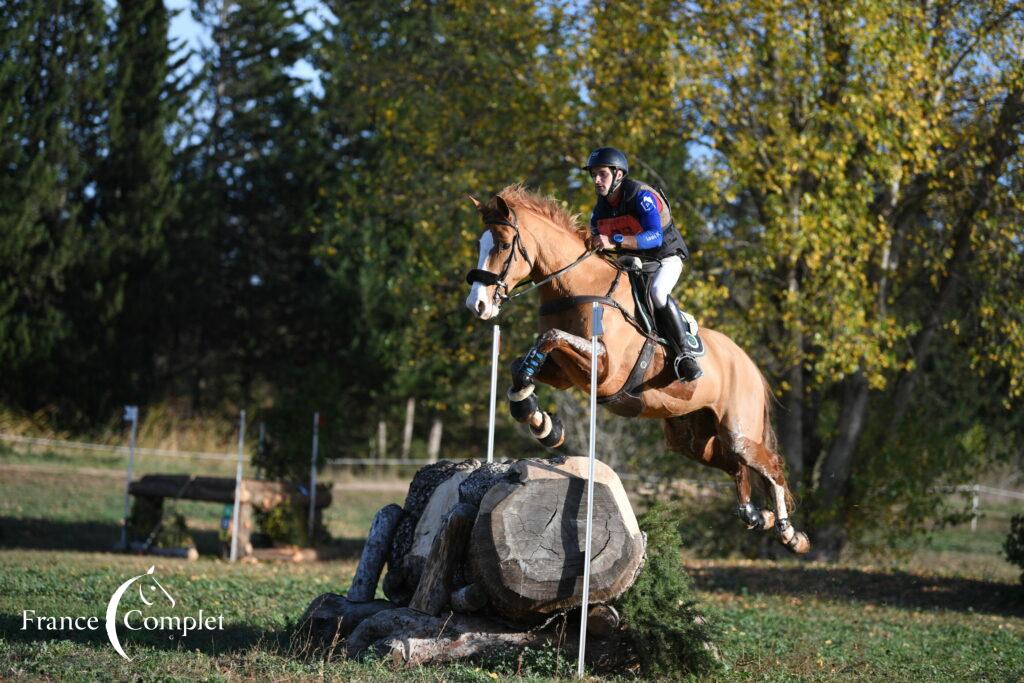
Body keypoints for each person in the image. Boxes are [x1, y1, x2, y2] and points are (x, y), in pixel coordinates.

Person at [582, 146, 703, 382]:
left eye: (602, 174)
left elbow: (654, 237)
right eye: (593, 174)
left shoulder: (640, 195)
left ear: (618, 174)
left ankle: (685, 356)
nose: (596, 180)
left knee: (658, 292)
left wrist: (613, 240)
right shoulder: (600, 209)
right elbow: (596, 240)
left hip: (665, 256)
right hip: (634, 262)